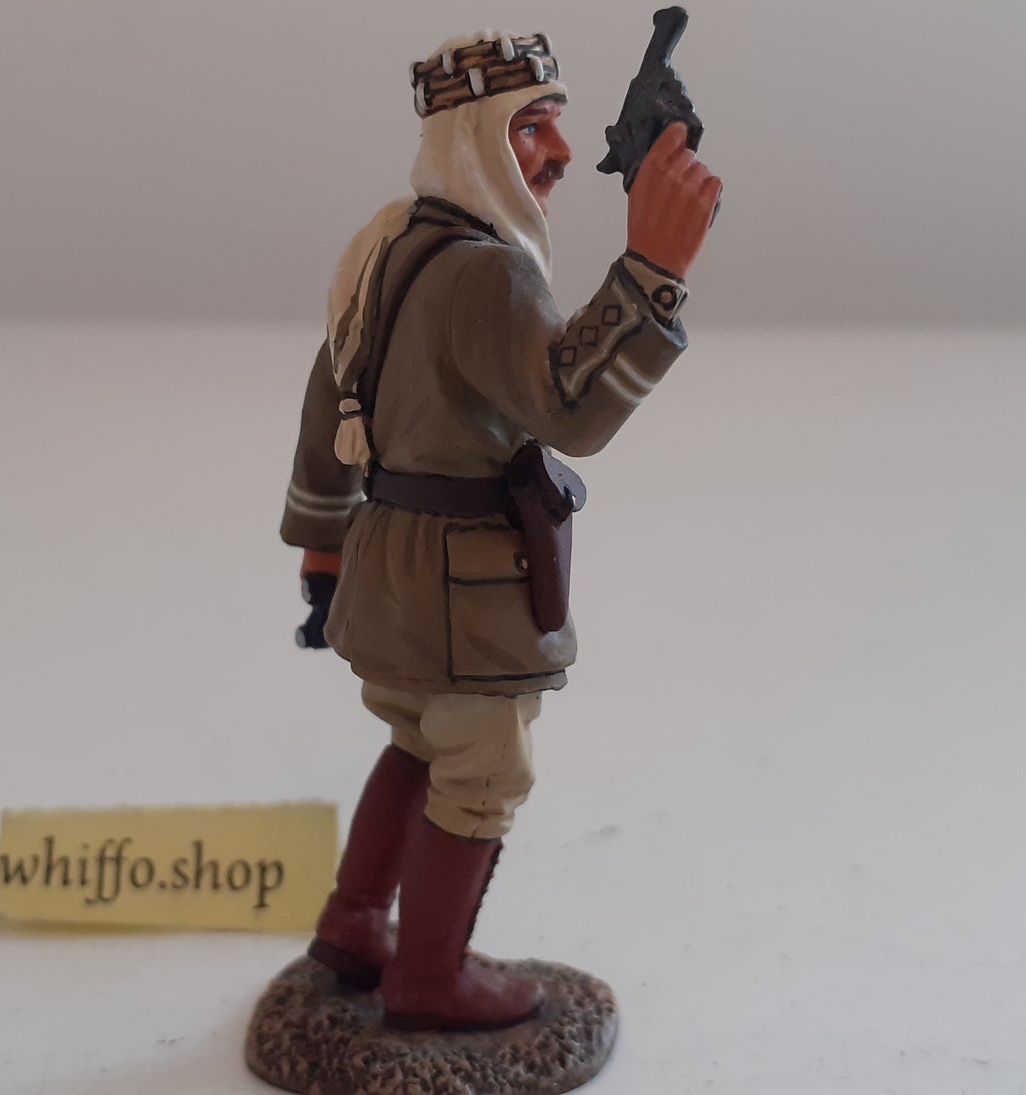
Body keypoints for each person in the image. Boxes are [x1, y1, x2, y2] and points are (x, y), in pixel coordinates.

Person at [278, 28, 720, 1032]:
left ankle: (354, 923)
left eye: (556, 125)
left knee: (415, 740)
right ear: (474, 137)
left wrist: (322, 547)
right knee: (483, 773)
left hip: (385, 569)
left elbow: (325, 403)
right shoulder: (487, 275)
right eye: (531, 128)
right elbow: (570, 408)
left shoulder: (383, 248)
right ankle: (427, 979)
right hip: (462, 588)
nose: (559, 153)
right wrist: (653, 271)